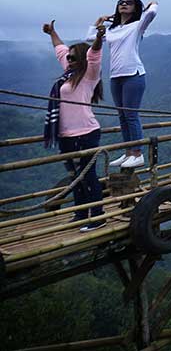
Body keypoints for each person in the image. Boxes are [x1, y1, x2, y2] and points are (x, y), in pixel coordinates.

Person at [43, 20, 107, 232]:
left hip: (85, 133)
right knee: (75, 178)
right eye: (68, 58)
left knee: (87, 176)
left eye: (73, 58)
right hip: (66, 135)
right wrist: (53, 32)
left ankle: (97, 217)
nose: (68, 60)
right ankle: (80, 214)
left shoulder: (89, 75)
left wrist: (98, 38)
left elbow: (94, 54)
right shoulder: (68, 75)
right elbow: (60, 50)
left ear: (81, 59)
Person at [88, 0, 158, 169]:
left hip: (133, 74)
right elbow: (90, 37)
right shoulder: (112, 30)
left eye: (129, 3)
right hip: (116, 76)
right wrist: (99, 21)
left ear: (135, 8)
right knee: (122, 116)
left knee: (131, 115)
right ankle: (128, 153)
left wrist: (152, 4)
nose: (124, 5)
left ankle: (137, 154)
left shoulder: (137, 26)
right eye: (121, 3)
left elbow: (152, 14)